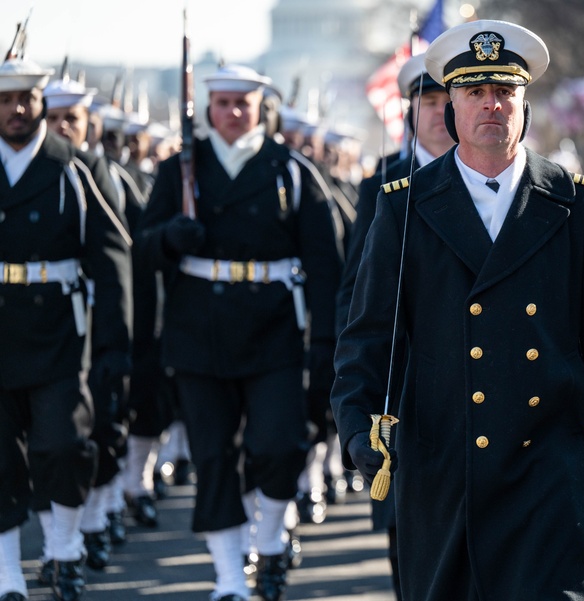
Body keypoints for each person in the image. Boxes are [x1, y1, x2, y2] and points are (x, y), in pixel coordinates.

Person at [332, 19, 584, 601]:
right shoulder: (404, 209)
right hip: (443, 461)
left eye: (504, 92)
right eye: (474, 93)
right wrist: (357, 424)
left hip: (552, 461)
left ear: (524, 105)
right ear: (450, 107)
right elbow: (371, 334)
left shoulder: (575, 202)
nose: (491, 105)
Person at [137, 64, 340, 601]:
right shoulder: (181, 169)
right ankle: (230, 578)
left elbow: (325, 264)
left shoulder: (288, 170)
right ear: (207, 108)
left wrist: (325, 342)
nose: (230, 113)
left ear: (259, 108)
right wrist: (170, 239)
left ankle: (269, 536)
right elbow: (142, 248)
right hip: (198, 332)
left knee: (278, 447)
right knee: (212, 459)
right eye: (221, 103)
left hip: (272, 329)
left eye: (241, 103)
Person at [0, 57, 132, 601]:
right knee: (1, 459)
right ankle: (8, 576)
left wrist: (114, 343)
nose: (16, 110)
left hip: (58, 333)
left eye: (25, 99)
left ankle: (64, 548)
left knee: (62, 446)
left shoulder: (73, 168)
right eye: (5, 101)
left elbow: (112, 253)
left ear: (41, 104)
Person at [331, 51, 455, 599]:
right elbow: (357, 295)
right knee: (409, 530)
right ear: (409, 111)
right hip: (404, 382)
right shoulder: (384, 185)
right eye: (427, 102)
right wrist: (351, 385)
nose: (438, 112)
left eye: (447, 100)